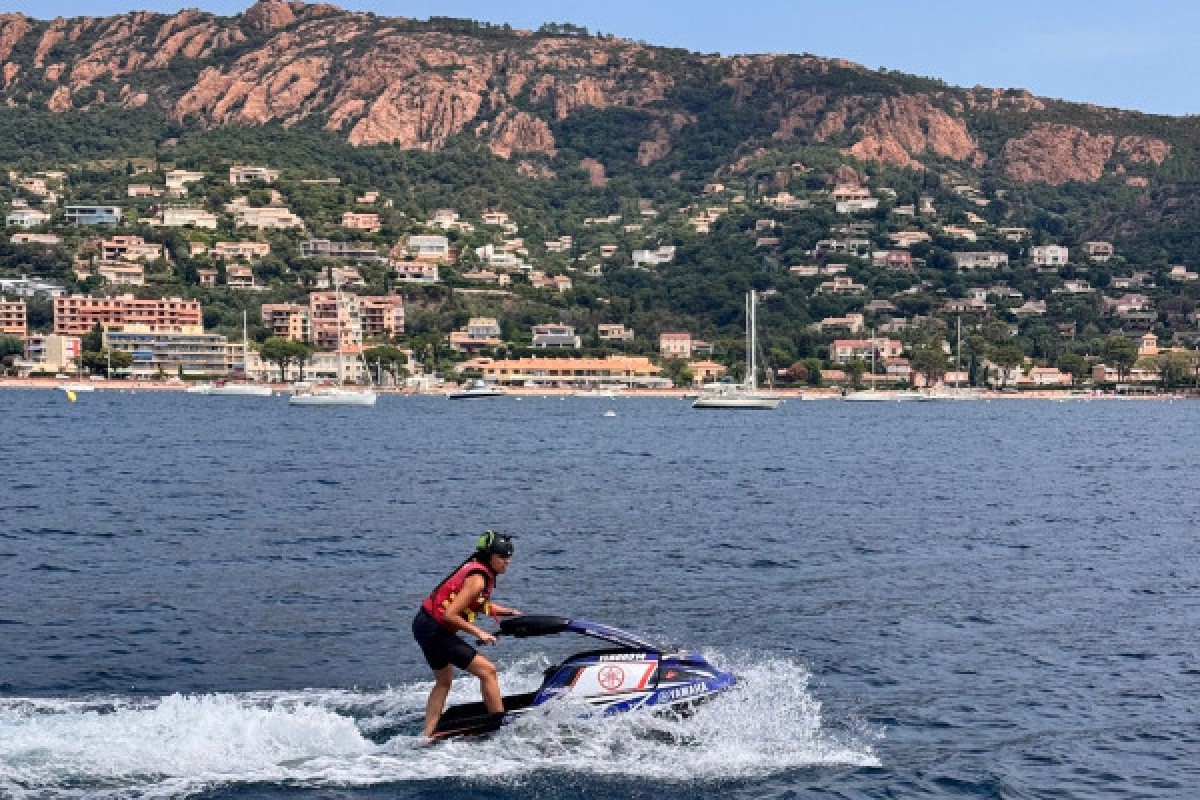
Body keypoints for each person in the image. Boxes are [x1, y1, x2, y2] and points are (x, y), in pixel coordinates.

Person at [412, 530, 520, 738]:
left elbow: (473, 604)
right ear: (489, 557)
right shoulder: (478, 580)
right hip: (436, 629)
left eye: (509, 556)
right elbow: (450, 615)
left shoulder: (476, 571)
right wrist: (479, 632)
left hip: (423, 624)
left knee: (443, 681)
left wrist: (506, 611)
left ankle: (428, 735)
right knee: (488, 671)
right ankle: (501, 727)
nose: (507, 561)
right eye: (502, 557)